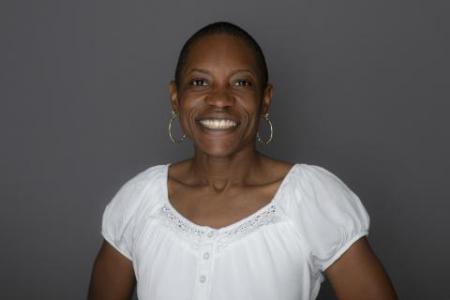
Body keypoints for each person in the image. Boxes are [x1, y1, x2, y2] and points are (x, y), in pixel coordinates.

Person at [88, 22, 398, 300]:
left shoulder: (309, 199)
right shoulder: (140, 200)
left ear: (265, 99)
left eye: (241, 83)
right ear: (175, 97)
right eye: (199, 82)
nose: (220, 99)